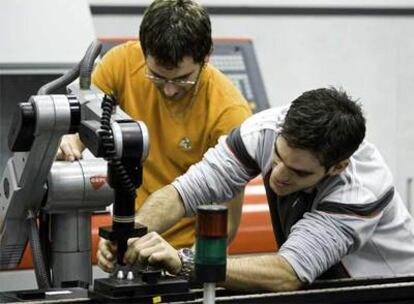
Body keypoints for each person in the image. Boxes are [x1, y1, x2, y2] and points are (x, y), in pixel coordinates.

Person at [98, 87, 414, 292]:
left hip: (387, 290)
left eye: (298, 172)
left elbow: (288, 271)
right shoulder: (264, 130)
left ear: (336, 167)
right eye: (277, 157)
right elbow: (183, 193)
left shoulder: (358, 192)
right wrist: (129, 235)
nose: (278, 175)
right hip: (324, 287)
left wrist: (185, 262)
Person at [57, 0, 251, 251]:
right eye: (157, 76)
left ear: (206, 56)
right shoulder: (122, 64)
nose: (169, 90)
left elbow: (226, 227)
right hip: (129, 232)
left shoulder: (229, 113)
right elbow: (80, 124)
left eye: (183, 79)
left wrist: (183, 263)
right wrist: (68, 141)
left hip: (182, 249)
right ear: (144, 51)